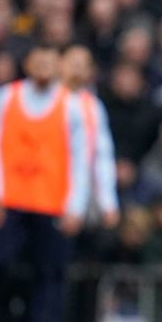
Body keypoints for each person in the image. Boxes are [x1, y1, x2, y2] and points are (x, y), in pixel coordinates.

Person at [0, 45, 91, 322]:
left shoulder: (70, 106)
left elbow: (80, 159)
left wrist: (75, 206)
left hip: (52, 201)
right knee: (1, 262)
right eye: (38, 60)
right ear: (27, 62)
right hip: (10, 199)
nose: (44, 67)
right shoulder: (6, 97)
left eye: (50, 62)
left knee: (49, 270)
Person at [60, 45, 120, 230]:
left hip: (77, 194)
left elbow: (101, 155)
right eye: (73, 63)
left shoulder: (92, 107)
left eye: (83, 65)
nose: (76, 69)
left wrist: (108, 202)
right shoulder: (46, 100)